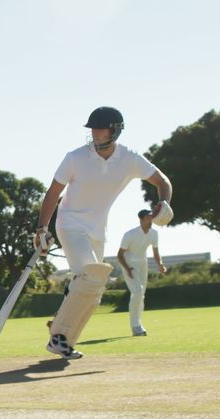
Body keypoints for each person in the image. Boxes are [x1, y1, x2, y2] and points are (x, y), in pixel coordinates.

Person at [33, 107, 173, 359]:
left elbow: (163, 182)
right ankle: (58, 337)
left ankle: (63, 337)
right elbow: (53, 193)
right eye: (93, 130)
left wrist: (164, 203)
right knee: (90, 276)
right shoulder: (75, 158)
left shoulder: (129, 159)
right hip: (70, 224)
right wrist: (42, 228)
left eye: (101, 129)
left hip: (98, 230)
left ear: (115, 129)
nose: (95, 134)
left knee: (94, 288)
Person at [117, 209, 167, 336]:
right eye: (149, 217)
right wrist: (127, 269)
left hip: (143, 264)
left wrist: (160, 264)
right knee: (137, 291)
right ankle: (135, 326)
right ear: (142, 219)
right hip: (129, 264)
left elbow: (156, 252)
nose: (151, 220)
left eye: (152, 217)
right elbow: (120, 255)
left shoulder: (154, 233)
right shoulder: (130, 234)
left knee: (141, 295)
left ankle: (138, 323)